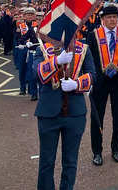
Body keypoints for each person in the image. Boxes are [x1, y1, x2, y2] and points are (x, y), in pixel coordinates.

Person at [34, 36, 95, 190]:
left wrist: (77, 84)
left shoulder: (83, 49)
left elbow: (93, 74)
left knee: (70, 161)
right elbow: (36, 74)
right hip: (49, 113)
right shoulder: (43, 48)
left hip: (75, 113)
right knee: (47, 161)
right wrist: (56, 62)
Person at [87, 4, 118, 165]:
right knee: (97, 118)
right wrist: (88, 80)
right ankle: (97, 152)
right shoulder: (93, 35)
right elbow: (88, 60)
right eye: (108, 17)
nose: (112, 20)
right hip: (99, 83)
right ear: (102, 19)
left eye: (114, 17)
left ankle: (116, 149)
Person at [14, 10, 39, 98]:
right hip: (23, 49)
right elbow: (18, 39)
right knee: (22, 69)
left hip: (33, 49)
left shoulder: (37, 25)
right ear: (24, 16)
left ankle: (31, 90)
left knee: (31, 70)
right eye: (28, 15)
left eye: (31, 15)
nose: (30, 16)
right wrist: (21, 44)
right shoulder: (20, 26)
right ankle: (22, 88)